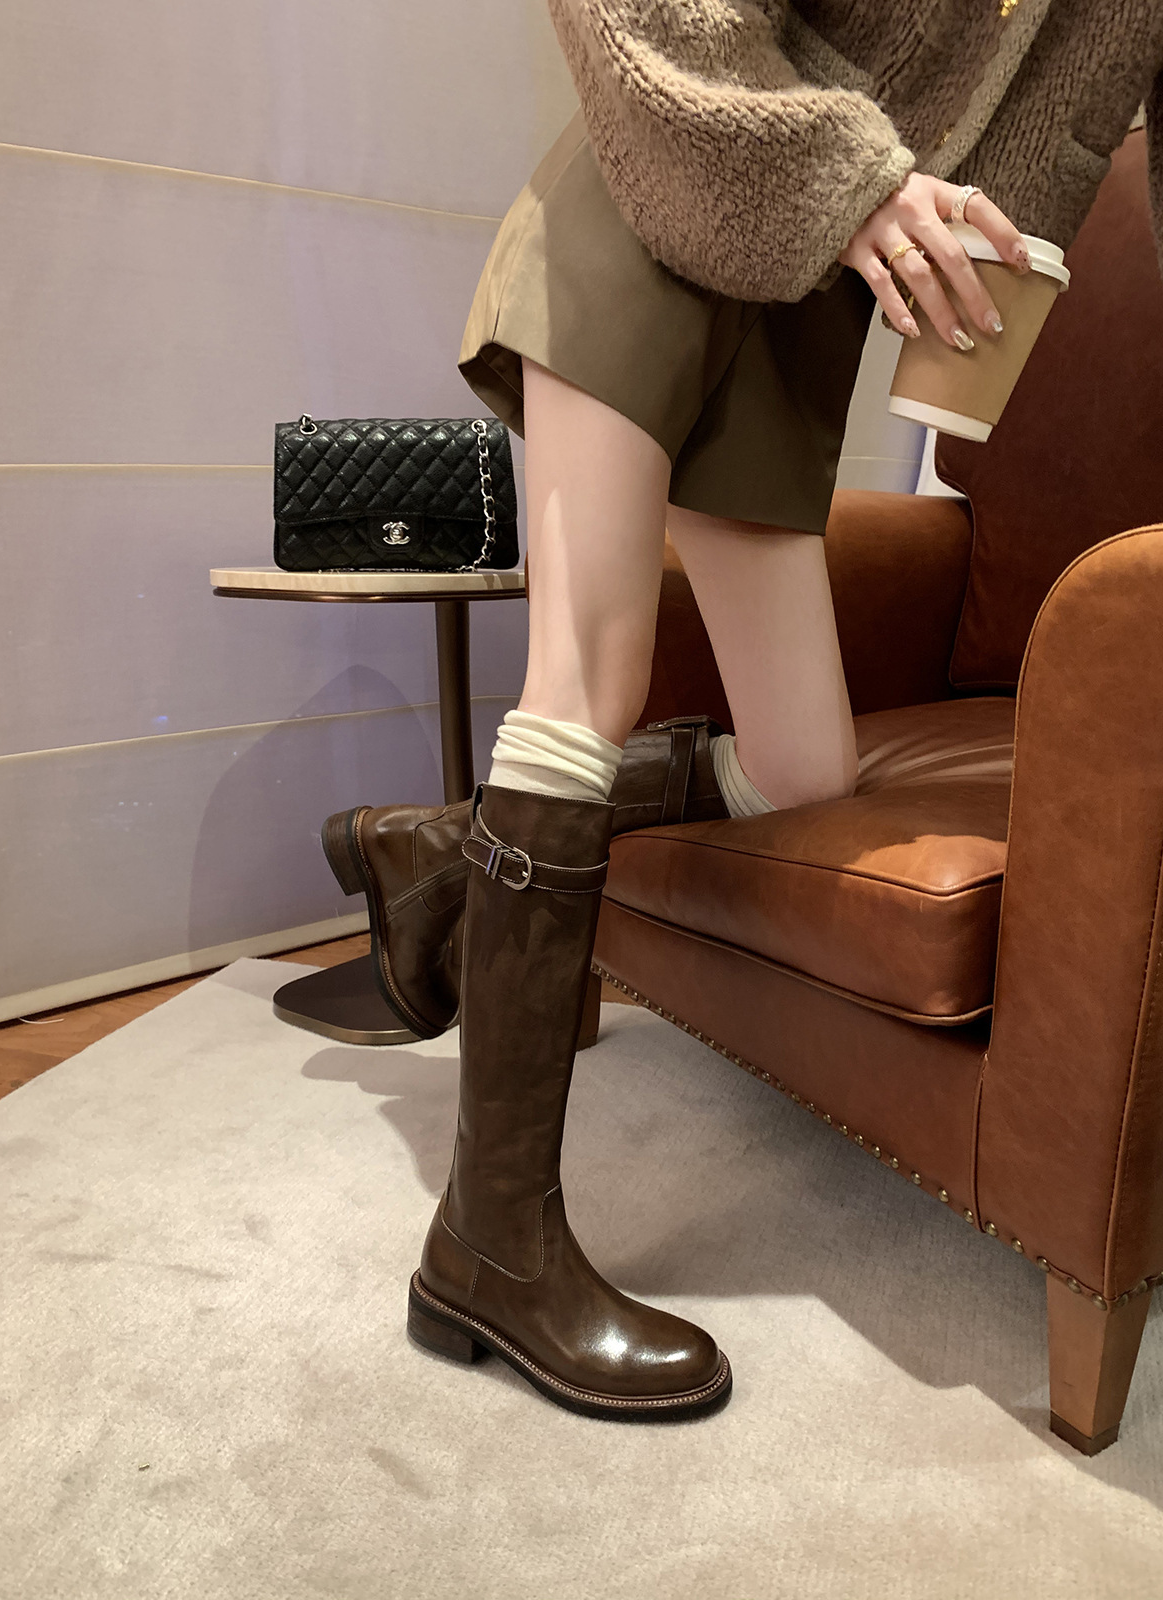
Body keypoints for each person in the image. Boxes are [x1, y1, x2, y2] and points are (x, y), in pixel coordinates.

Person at [323, 3, 1163, 1420]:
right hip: (666, 203)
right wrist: (857, 182)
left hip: (796, 316)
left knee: (804, 769)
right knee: (584, 686)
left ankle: (439, 855)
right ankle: (488, 1246)